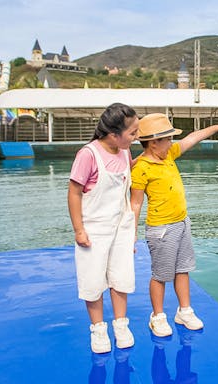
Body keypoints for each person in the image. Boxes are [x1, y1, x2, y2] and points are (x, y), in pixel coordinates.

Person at [131, 113, 218, 337]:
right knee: (160, 275)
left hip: (181, 223)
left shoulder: (168, 155)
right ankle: (157, 316)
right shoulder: (141, 168)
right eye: (167, 139)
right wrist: (131, 233)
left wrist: (217, 127)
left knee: (183, 270)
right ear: (153, 142)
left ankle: (184, 311)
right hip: (161, 229)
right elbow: (135, 203)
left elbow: (192, 138)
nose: (172, 143)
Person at [68, 103, 139, 353]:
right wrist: (79, 229)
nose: (136, 136)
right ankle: (98, 329)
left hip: (121, 227)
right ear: (113, 134)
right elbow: (75, 192)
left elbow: (126, 183)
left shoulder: (124, 152)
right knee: (93, 279)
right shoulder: (88, 154)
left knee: (120, 277)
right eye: (132, 133)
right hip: (94, 229)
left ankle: (121, 324)